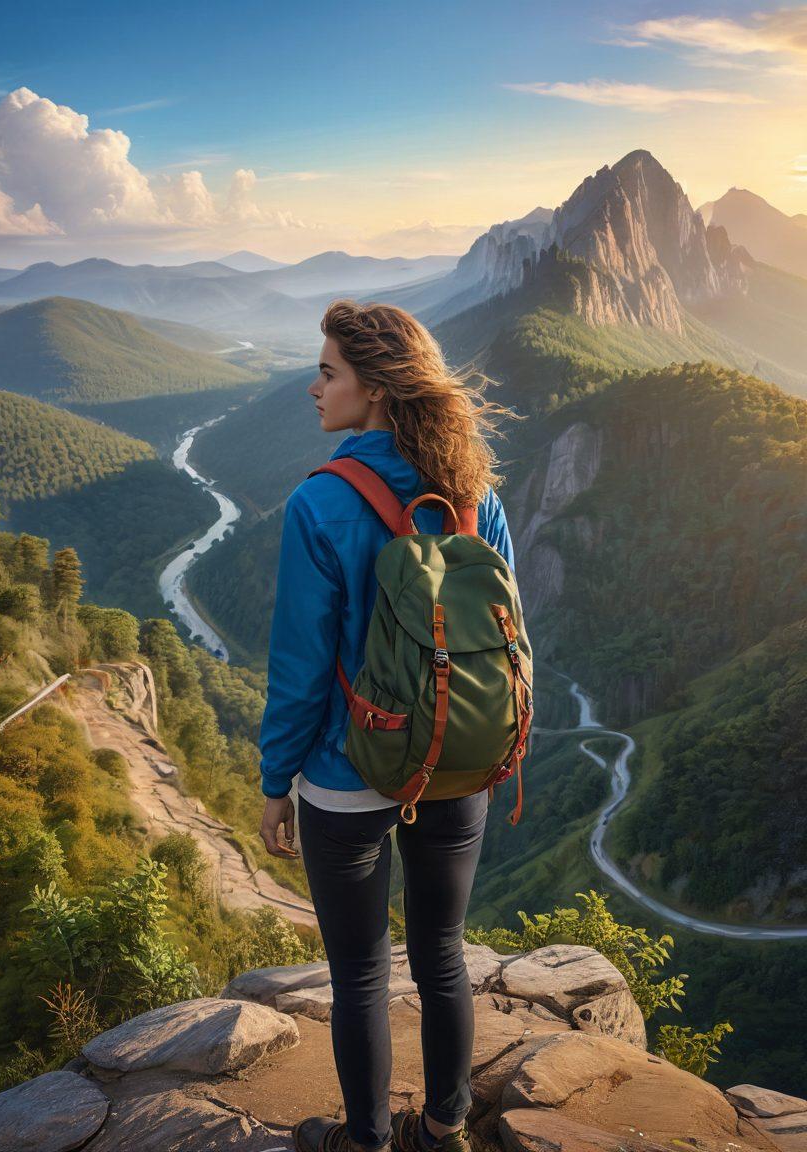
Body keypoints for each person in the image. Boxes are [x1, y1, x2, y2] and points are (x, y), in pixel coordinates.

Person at [258, 299, 522, 1152]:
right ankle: (441, 1128)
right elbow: (509, 634)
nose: (314, 388)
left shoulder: (322, 504)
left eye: (328, 372)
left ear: (373, 390)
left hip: (346, 773)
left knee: (362, 972)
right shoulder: (475, 492)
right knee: (442, 954)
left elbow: (299, 672)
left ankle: (364, 1141)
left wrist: (275, 784)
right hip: (454, 760)